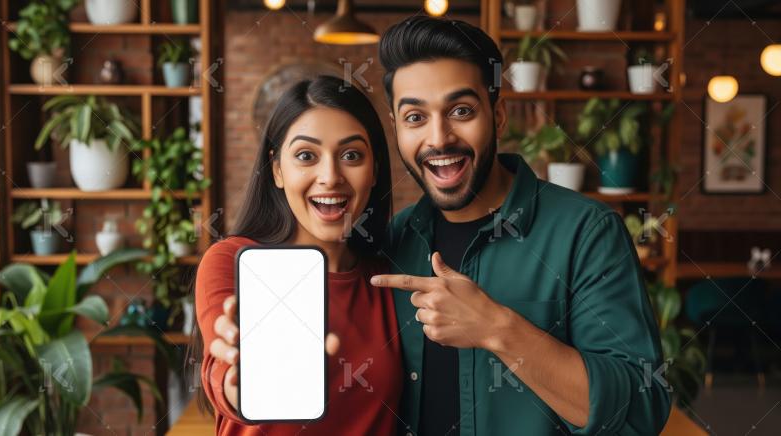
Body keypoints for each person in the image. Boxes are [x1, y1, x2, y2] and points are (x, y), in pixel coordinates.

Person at [370, 16, 671, 435]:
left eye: (461, 111)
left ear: (499, 115)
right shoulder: (393, 241)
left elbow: (642, 407)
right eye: (415, 117)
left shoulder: (587, 232)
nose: (439, 138)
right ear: (397, 128)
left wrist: (497, 328)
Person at [192, 75, 402, 435]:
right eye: (306, 156)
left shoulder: (390, 276)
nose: (330, 177)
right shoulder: (233, 260)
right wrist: (239, 380)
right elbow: (222, 370)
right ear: (277, 170)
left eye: (351, 155)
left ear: (375, 171)